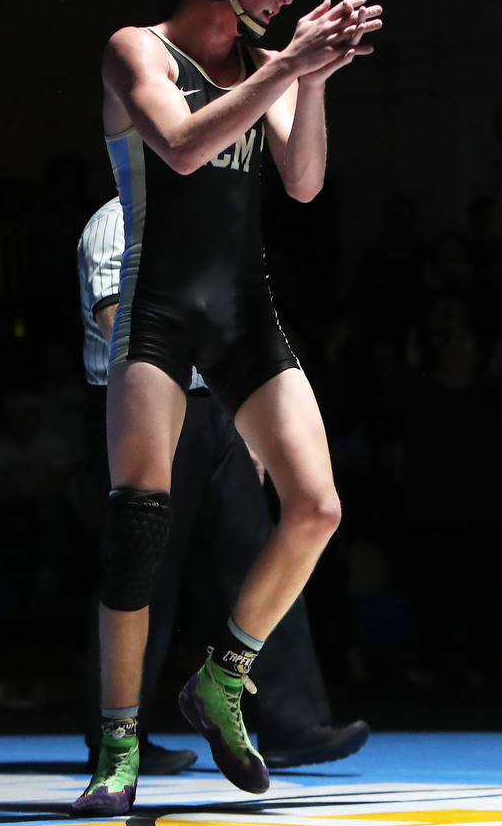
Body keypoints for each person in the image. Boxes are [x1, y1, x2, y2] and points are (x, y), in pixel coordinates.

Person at [75, 0, 381, 813]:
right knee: (140, 523)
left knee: (317, 507)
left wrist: (312, 79)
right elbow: (178, 148)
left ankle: (221, 678)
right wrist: (287, 64)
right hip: (159, 307)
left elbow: (304, 181)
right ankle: (119, 737)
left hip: (244, 308)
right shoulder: (138, 50)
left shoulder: (263, 63)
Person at [76, 197, 368, 776]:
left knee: (258, 552)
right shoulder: (116, 220)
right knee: (142, 568)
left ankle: (292, 723)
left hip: (223, 403)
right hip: (144, 403)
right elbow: (115, 319)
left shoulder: (218, 219)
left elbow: (241, 322)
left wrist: (253, 416)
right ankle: (120, 733)